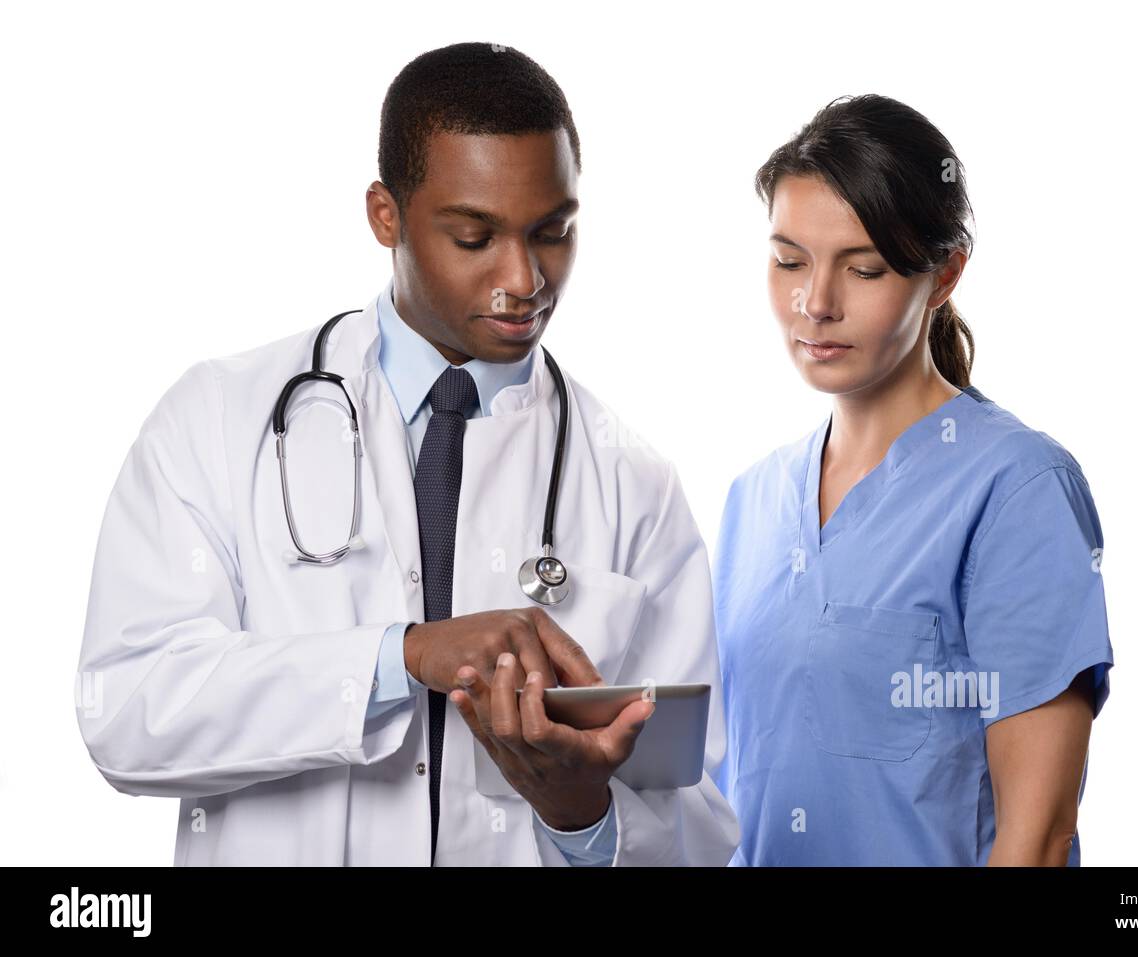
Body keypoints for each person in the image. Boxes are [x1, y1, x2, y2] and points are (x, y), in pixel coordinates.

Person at [75, 42, 738, 867]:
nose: (522, 278)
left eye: (553, 232)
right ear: (385, 214)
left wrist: (582, 815)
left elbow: (701, 830)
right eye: (474, 236)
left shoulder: (633, 483)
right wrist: (399, 655)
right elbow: (128, 712)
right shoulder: (215, 420)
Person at [712, 93, 1114, 865]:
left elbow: (1036, 839)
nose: (815, 303)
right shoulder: (751, 501)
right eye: (789, 260)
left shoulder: (1015, 490)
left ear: (944, 275)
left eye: (861, 268)